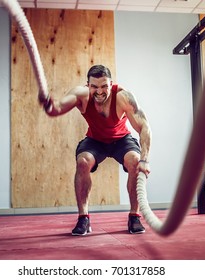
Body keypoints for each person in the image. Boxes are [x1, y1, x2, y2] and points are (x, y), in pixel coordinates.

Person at [40, 65, 151, 235]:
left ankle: (134, 216)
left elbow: (144, 126)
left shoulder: (123, 97)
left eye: (104, 86)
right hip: (95, 140)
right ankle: (83, 218)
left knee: (135, 161)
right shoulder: (81, 95)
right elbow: (57, 108)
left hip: (121, 139)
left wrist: (145, 159)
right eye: (94, 87)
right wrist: (48, 104)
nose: (99, 91)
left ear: (111, 84)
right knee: (83, 162)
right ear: (88, 85)